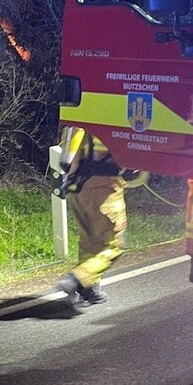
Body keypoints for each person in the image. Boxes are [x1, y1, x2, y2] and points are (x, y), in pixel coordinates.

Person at [56, 125, 148, 306]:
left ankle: (89, 290)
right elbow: (137, 161)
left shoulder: (79, 123)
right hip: (104, 189)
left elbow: (68, 162)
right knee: (115, 245)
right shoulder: (117, 121)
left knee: (89, 241)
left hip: (78, 189)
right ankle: (77, 278)